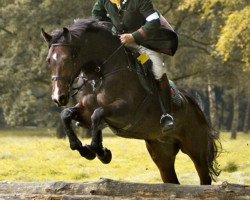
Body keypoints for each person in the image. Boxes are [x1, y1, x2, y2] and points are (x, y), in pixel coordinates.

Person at [92, 0, 178, 132]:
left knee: (157, 69)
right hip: (118, 42)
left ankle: (167, 114)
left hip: (143, 45)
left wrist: (134, 36)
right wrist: (111, 29)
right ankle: (89, 107)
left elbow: (154, 21)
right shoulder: (104, 1)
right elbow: (97, 14)